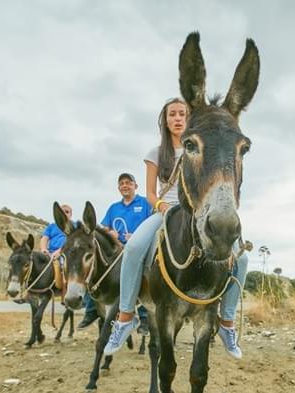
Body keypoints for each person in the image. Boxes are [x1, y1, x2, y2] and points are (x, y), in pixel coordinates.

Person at [103, 98, 248, 359]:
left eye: (183, 113)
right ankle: (125, 317)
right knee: (134, 247)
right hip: (167, 210)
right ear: (165, 120)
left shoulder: (208, 145)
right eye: (173, 114)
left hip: (198, 210)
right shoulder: (156, 153)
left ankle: (226, 323)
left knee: (243, 258)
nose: (178, 118)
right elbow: (148, 192)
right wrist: (160, 206)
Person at [78, 173, 153, 331]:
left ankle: (144, 317)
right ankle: (91, 311)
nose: (125, 186)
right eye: (121, 184)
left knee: (146, 272)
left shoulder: (145, 203)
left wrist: (137, 235)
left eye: (128, 183)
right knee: (94, 268)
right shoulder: (114, 208)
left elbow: (153, 223)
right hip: (116, 249)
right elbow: (105, 227)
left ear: (135, 186)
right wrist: (110, 233)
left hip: (140, 247)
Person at [40, 204, 99, 326]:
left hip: (66, 253)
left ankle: (71, 294)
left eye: (67, 212)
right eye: (63, 212)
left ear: (71, 214)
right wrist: (43, 249)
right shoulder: (51, 226)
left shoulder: (74, 227)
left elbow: (75, 243)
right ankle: (32, 289)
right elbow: (44, 238)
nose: (65, 214)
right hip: (50, 254)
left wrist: (59, 251)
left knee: (68, 267)